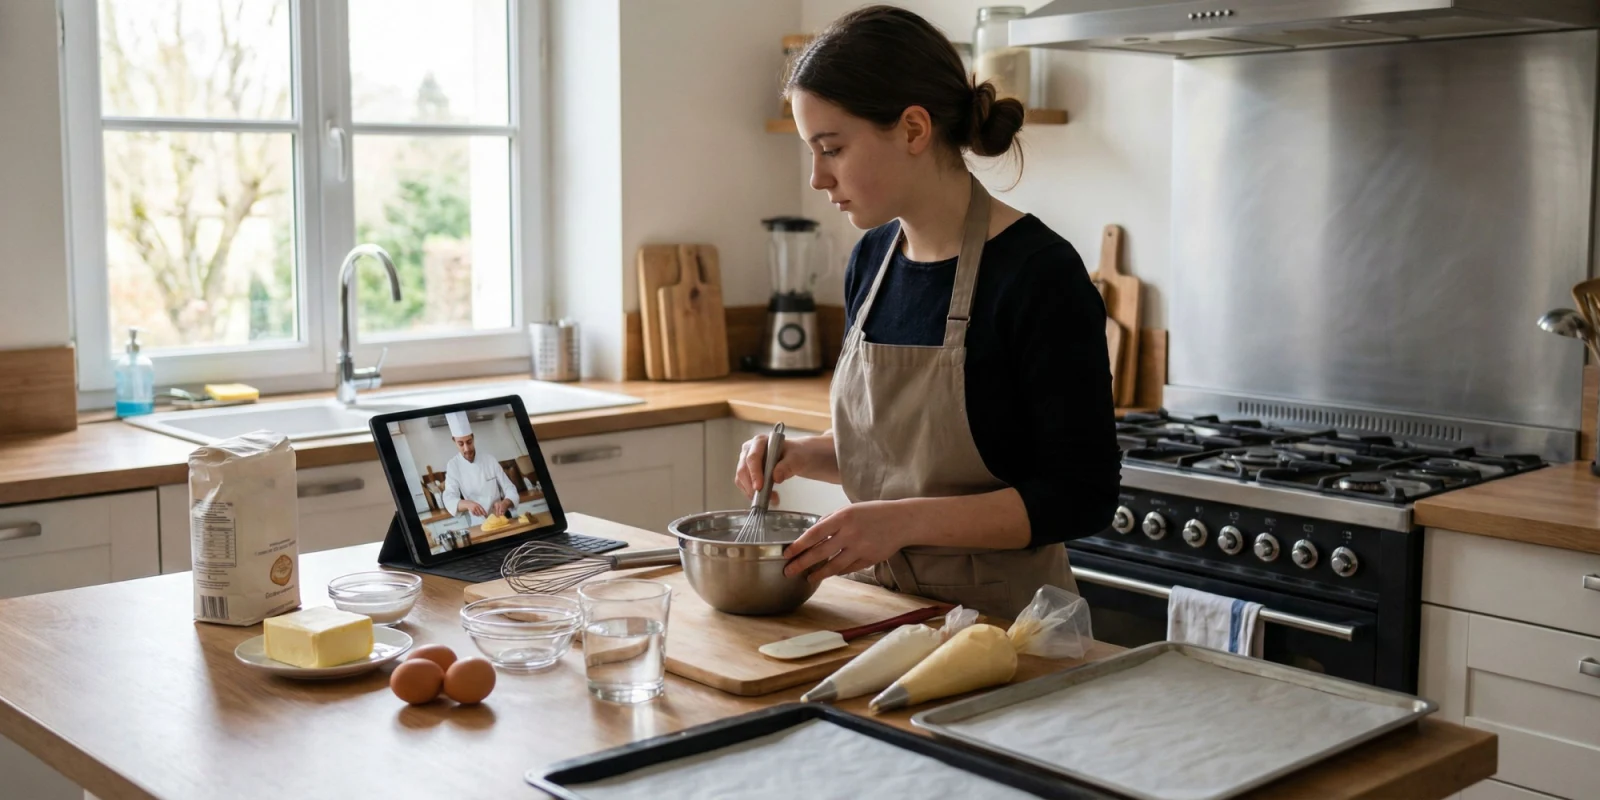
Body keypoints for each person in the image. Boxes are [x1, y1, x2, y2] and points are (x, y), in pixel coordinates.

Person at [735, 6, 1121, 619]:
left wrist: (899, 524)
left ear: (914, 129)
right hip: (875, 612)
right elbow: (903, 461)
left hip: (1007, 635)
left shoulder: (1038, 275)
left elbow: (1081, 496)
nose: (815, 178)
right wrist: (805, 455)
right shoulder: (871, 261)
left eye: (831, 147)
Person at [440, 411, 520, 527]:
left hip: (502, 519)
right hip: (479, 525)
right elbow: (449, 498)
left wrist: (505, 503)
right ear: (454, 442)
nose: (467, 448)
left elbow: (510, 488)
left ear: (473, 437)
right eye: (461, 444)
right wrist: (467, 504)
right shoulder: (453, 465)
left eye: (469, 442)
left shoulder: (489, 459)